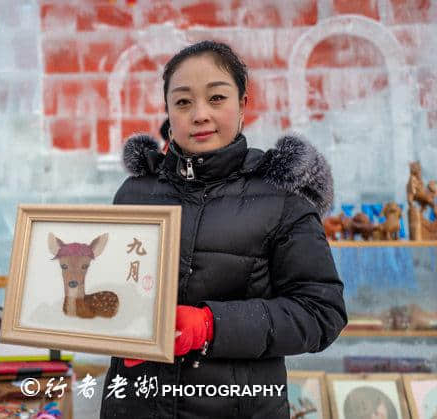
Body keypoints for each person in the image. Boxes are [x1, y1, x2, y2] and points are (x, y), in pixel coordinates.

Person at [100, 40, 347, 418]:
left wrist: (209, 326)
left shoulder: (282, 197)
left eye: (216, 98)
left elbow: (320, 313)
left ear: (243, 104)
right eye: (183, 102)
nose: (199, 115)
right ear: (167, 110)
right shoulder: (136, 192)